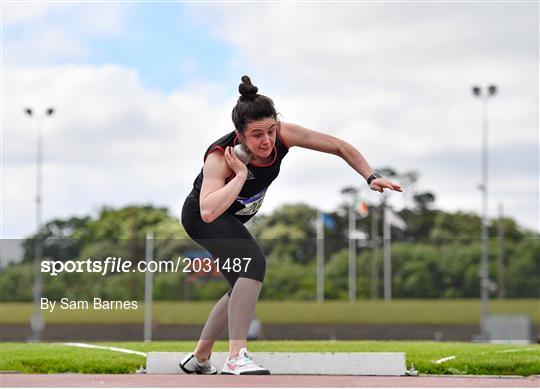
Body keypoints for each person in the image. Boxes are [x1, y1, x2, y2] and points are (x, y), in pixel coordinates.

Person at [179, 76, 403, 376]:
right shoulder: (220, 157)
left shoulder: (283, 136)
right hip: (203, 217)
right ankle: (236, 355)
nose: (267, 140)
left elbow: (337, 146)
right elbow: (208, 211)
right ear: (240, 135)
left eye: (270, 130)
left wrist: (370, 176)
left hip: (230, 218)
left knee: (240, 287)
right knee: (253, 264)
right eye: (256, 135)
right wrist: (241, 176)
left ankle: (200, 357)